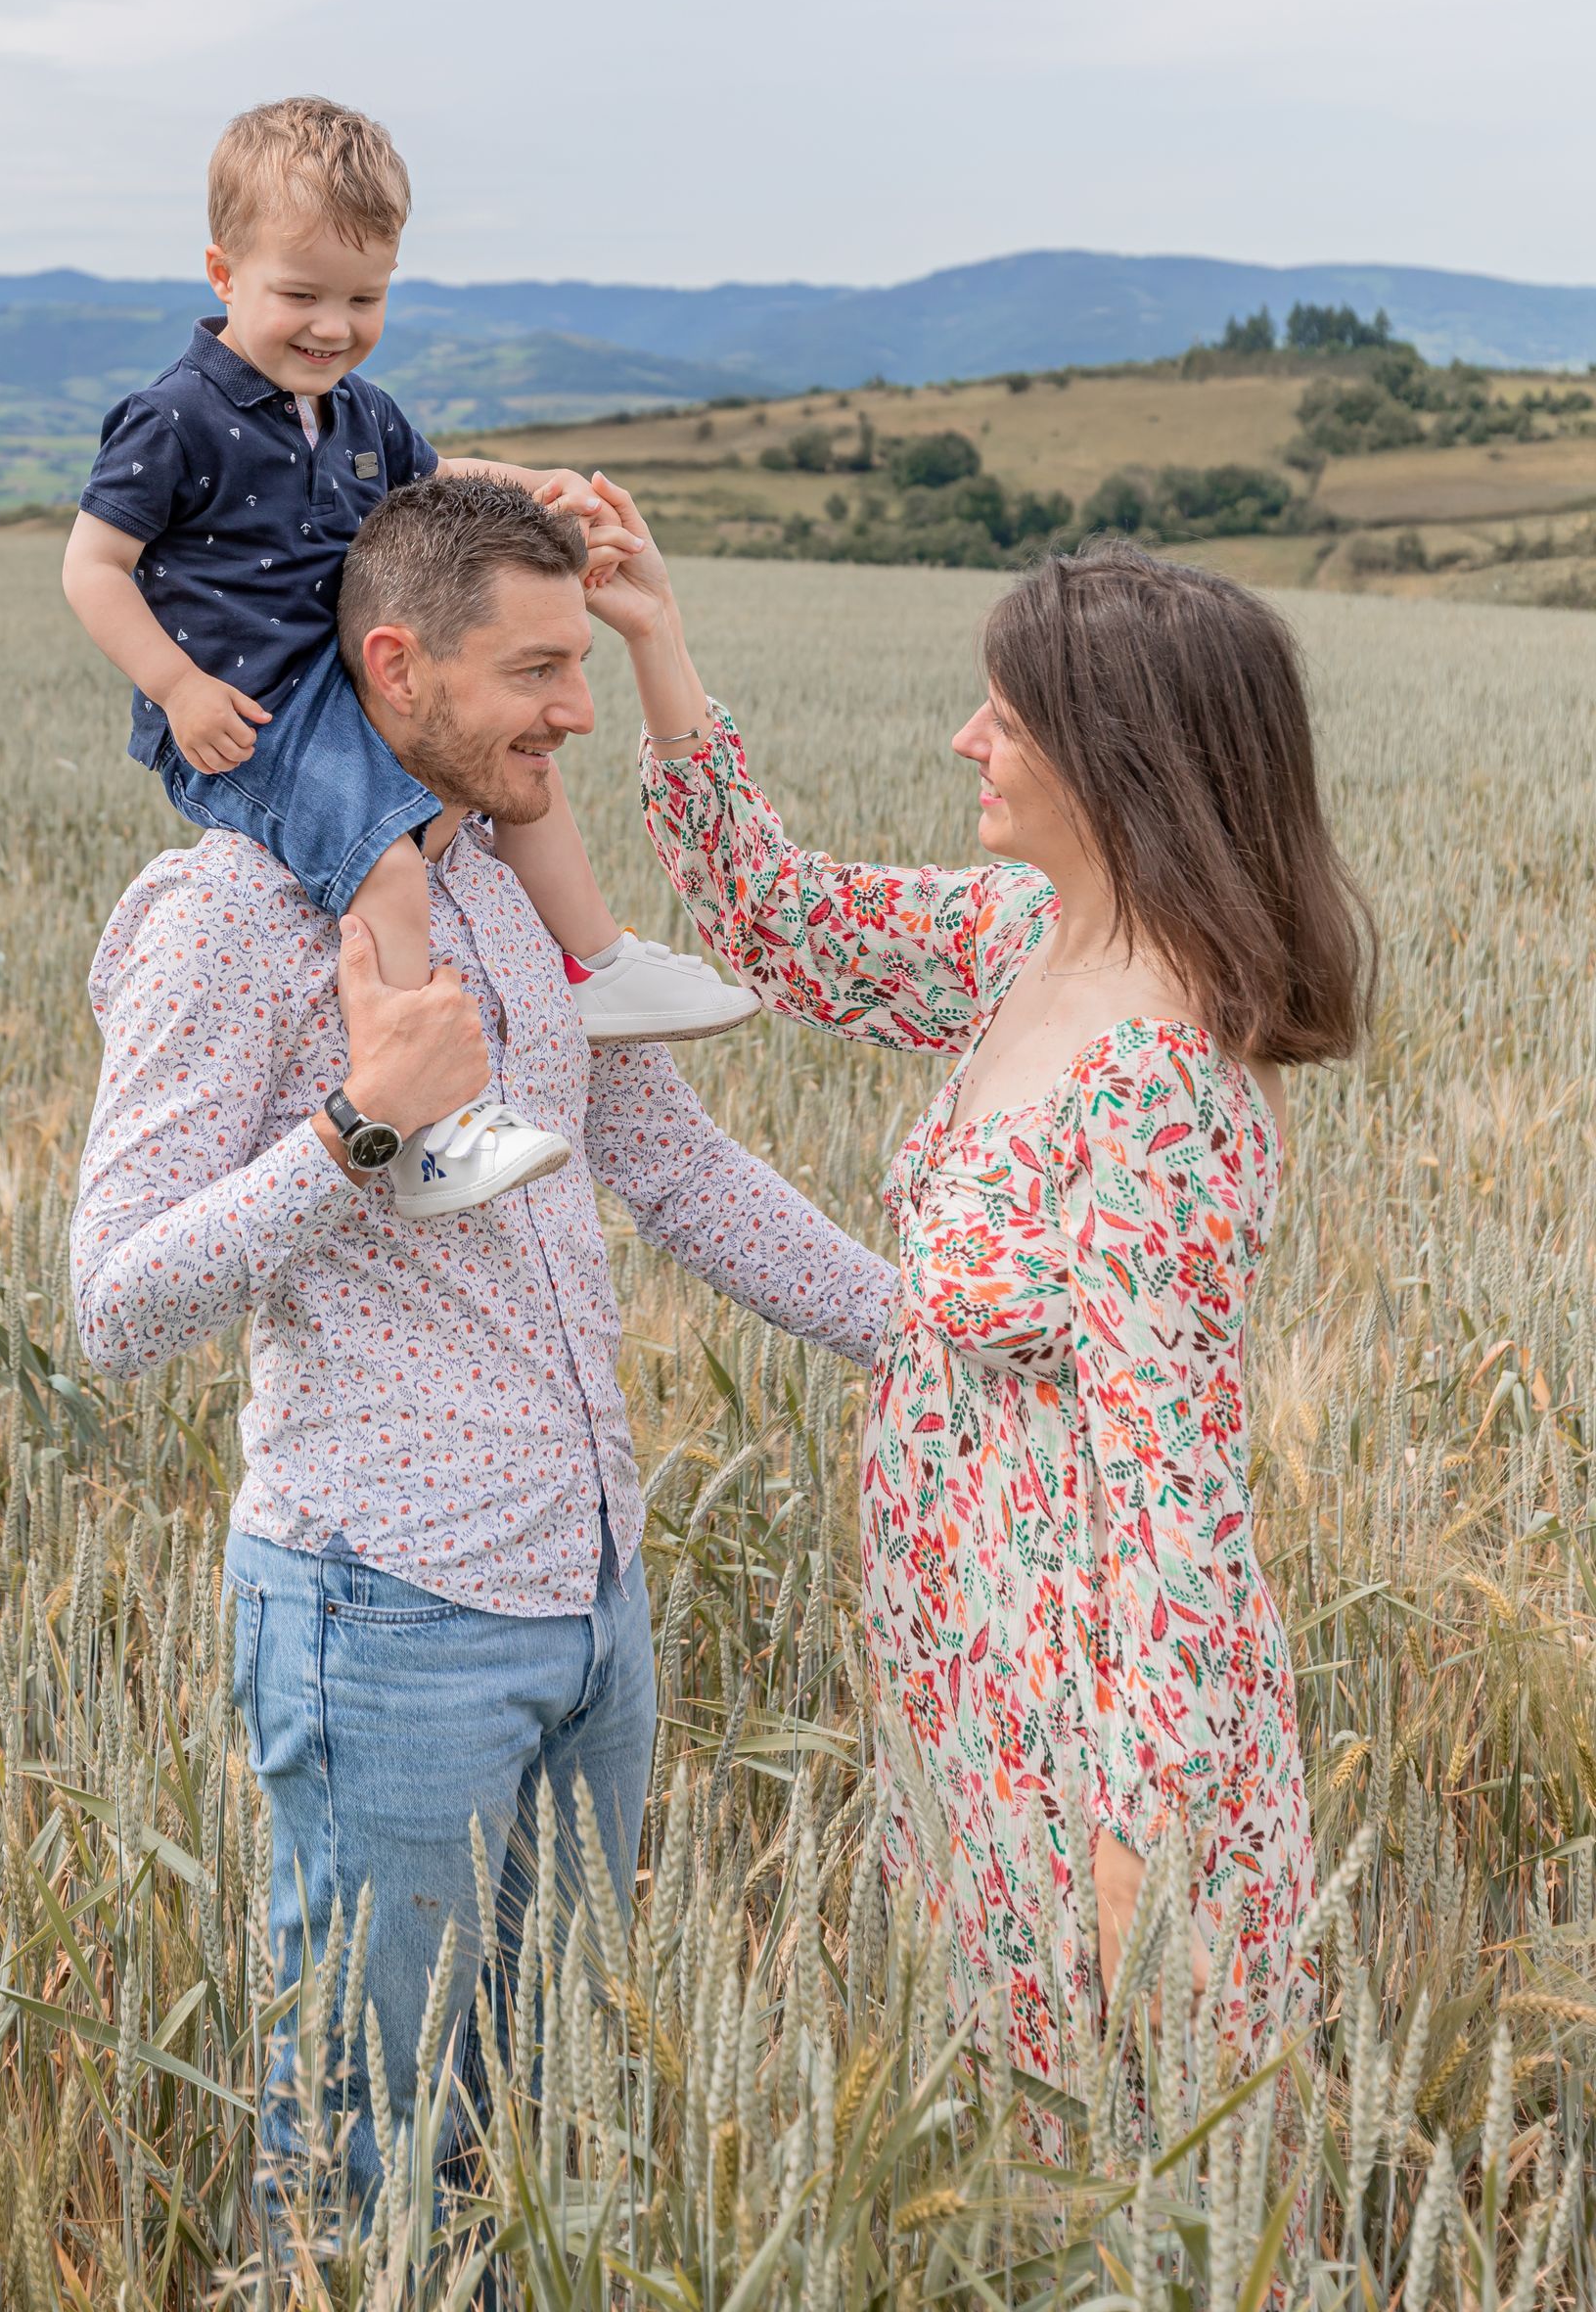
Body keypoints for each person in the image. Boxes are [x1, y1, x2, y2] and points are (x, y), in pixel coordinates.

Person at [69, 475, 893, 2239]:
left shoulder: (503, 881)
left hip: (593, 1593)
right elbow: (114, 1303)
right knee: (372, 2144)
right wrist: (361, 1129)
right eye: (535, 669)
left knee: (531, 2116)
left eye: (582, 662)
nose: (575, 712)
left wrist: (931, 1335)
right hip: (386, 1612)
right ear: (397, 664)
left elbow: (669, 1162)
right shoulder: (232, 917)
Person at [588, 489, 1372, 2104]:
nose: (965, 742)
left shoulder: (1161, 1091)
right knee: (1016, 2126)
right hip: (969, 1658)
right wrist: (654, 637)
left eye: (1004, 720)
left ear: (1116, 759)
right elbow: (774, 924)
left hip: (1084, 1705)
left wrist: (1140, 1844)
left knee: (1127, 2143)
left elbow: (1177, 1500)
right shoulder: (1030, 940)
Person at [62, 95, 755, 1224]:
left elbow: (436, 484)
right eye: (300, 295)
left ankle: (592, 963)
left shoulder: (356, 411)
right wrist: (178, 688)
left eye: (365, 298)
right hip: (250, 719)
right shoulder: (174, 418)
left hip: (344, 690)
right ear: (221, 273)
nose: (332, 326)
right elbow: (92, 568)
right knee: (391, 863)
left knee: (506, 785)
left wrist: (534, 485)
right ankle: (431, 1128)